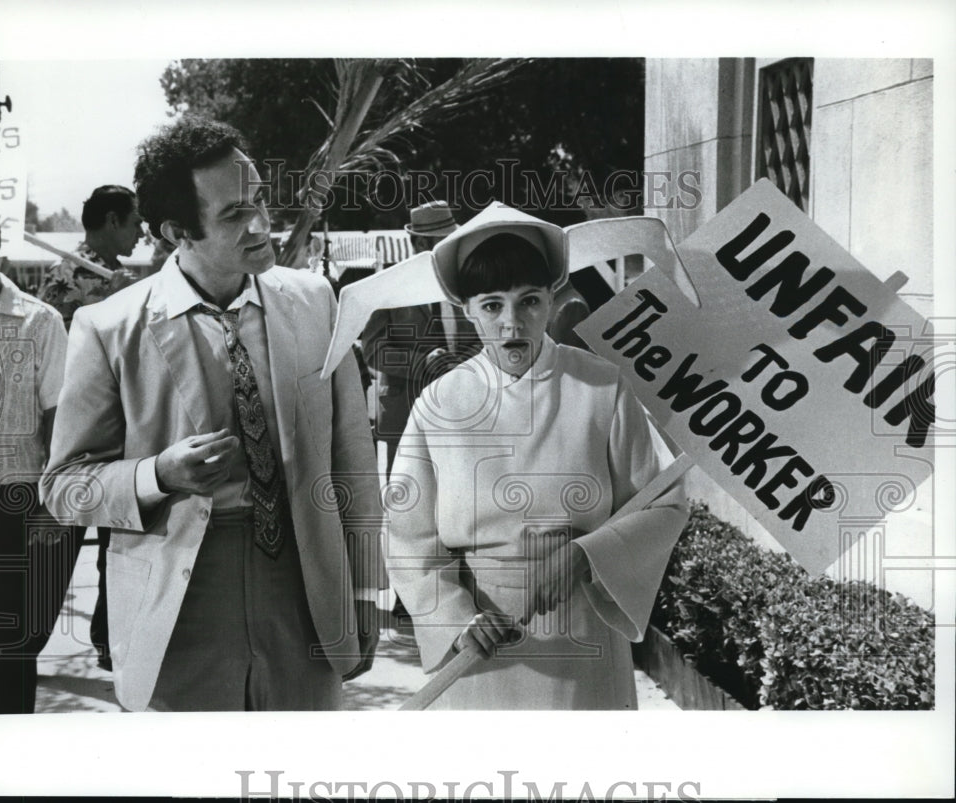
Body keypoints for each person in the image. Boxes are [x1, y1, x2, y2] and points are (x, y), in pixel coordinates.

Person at [39, 116, 384, 712]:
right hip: (180, 603)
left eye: (259, 202)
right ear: (178, 232)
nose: (260, 224)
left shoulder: (316, 302)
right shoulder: (106, 328)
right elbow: (63, 487)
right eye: (233, 214)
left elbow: (351, 458)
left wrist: (365, 590)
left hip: (308, 589)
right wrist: (159, 474)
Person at [386, 204, 689, 709]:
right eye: (491, 306)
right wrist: (455, 618)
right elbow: (407, 532)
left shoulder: (602, 385)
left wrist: (585, 556)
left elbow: (662, 507)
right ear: (467, 310)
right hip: (482, 640)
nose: (511, 324)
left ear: (553, 299)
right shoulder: (438, 403)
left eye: (528, 301)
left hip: (582, 628)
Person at [38, 185, 144, 670]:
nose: (140, 230)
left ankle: (107, 637)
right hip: (79, 437)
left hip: (122, 434)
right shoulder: (65, 281)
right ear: (110, 221)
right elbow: (57, 368)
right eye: (133, 220)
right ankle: (28, 637)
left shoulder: (119, 278)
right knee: (60, 548)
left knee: (116, 541)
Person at [0, 210, 82, 713]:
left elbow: (63, 423)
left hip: (15, 503)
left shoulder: (38, 321)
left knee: (12, 649)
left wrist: (51, 506)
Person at [360, 200, 479, 475]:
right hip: (404, 413)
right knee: (407, 497)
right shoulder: (389, 286)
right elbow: (373, 350)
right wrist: (422, 363)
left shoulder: (467, 283)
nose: (453, 249)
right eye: (444, 242)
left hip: (462, 408)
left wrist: (461, 362)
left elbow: (484, 337)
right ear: (421, 244)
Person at [38, 184, 143, 330]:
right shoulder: (66, 272)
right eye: (137, 224)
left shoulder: (121, 274)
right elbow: (57, 340)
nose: (141, 233)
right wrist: (114, 302)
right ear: (113, 221)